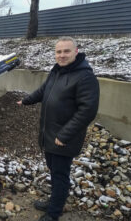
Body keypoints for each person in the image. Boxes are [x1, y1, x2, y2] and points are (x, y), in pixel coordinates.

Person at [17, 36, 100, 221]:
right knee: (54, 171)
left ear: (76, 52)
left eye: (66, 51)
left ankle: (53, 214)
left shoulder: (85, 77)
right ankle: (55, 201)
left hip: (63, 138)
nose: (62, 55)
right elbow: (43, 90)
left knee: (60, 175)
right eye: (58, 52)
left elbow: (88, 111)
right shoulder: (57, 72)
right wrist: (26, 100)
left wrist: (64, 135)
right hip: (49, 133)